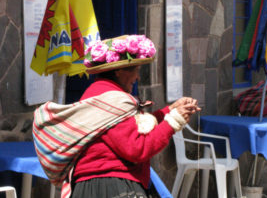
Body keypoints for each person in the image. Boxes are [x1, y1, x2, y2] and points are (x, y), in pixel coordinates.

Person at [68, 34, 201, 198]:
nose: (138, 77)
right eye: (136, 70)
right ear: (118, 71)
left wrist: (170, 110)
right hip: (109, 185)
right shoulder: (110, 99)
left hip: (103, 183)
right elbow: (137, 148)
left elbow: (134, 126)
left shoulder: (102, 93)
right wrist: (173, 121)